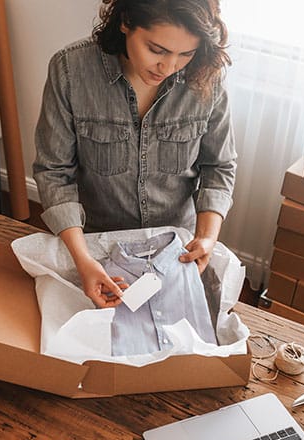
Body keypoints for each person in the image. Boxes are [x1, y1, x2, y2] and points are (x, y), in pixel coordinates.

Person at [33, 0, 235, 309]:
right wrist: (83, 260)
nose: (168, 68)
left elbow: (218, 167)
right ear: (125, 21)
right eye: (157, 50)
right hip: (95, 247)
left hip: (175, 250)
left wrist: (207, 237)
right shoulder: (70, 71)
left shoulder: (206, 77)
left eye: (186, 54)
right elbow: (54, 172)